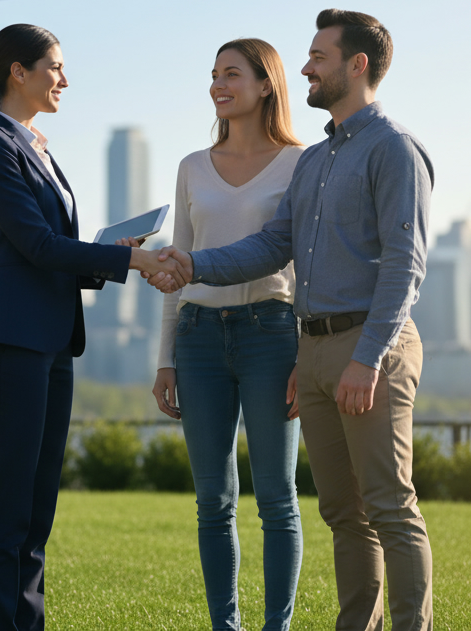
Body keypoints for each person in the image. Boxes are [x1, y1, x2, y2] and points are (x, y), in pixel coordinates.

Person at [149, 10, 436, 631]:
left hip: (369, 345)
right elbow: (269, 246)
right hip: (311, 346)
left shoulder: (394, 149)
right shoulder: (317, 161)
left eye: (319, 57)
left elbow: (404, 265)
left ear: (357, 66)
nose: (306, 66)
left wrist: (367, 357)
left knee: (389, 506)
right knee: (342, 511)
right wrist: (191, 263)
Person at [0, 23, 186, 631]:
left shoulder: (35, 146)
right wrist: (129, 259)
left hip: (51, 339)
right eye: (54, 66)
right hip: (11, 342)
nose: (64, 78)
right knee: (8, 509)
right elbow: (34, 244)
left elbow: (50, 250)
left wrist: (110, 251)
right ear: (17, 72)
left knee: (36, 510)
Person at [132, 38, 307, 631]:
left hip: (271, 335)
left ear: (266, 84)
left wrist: (304, 358)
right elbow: (176, 267)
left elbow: (303, 268)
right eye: (213, 75)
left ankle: (275, 626)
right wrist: (166, 359)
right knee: (214, 502)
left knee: (278, 501)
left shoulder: (299, 163)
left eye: (232, 74)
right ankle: (223, 626)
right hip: (199, 339)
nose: (218, 85)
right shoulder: (191, 166)